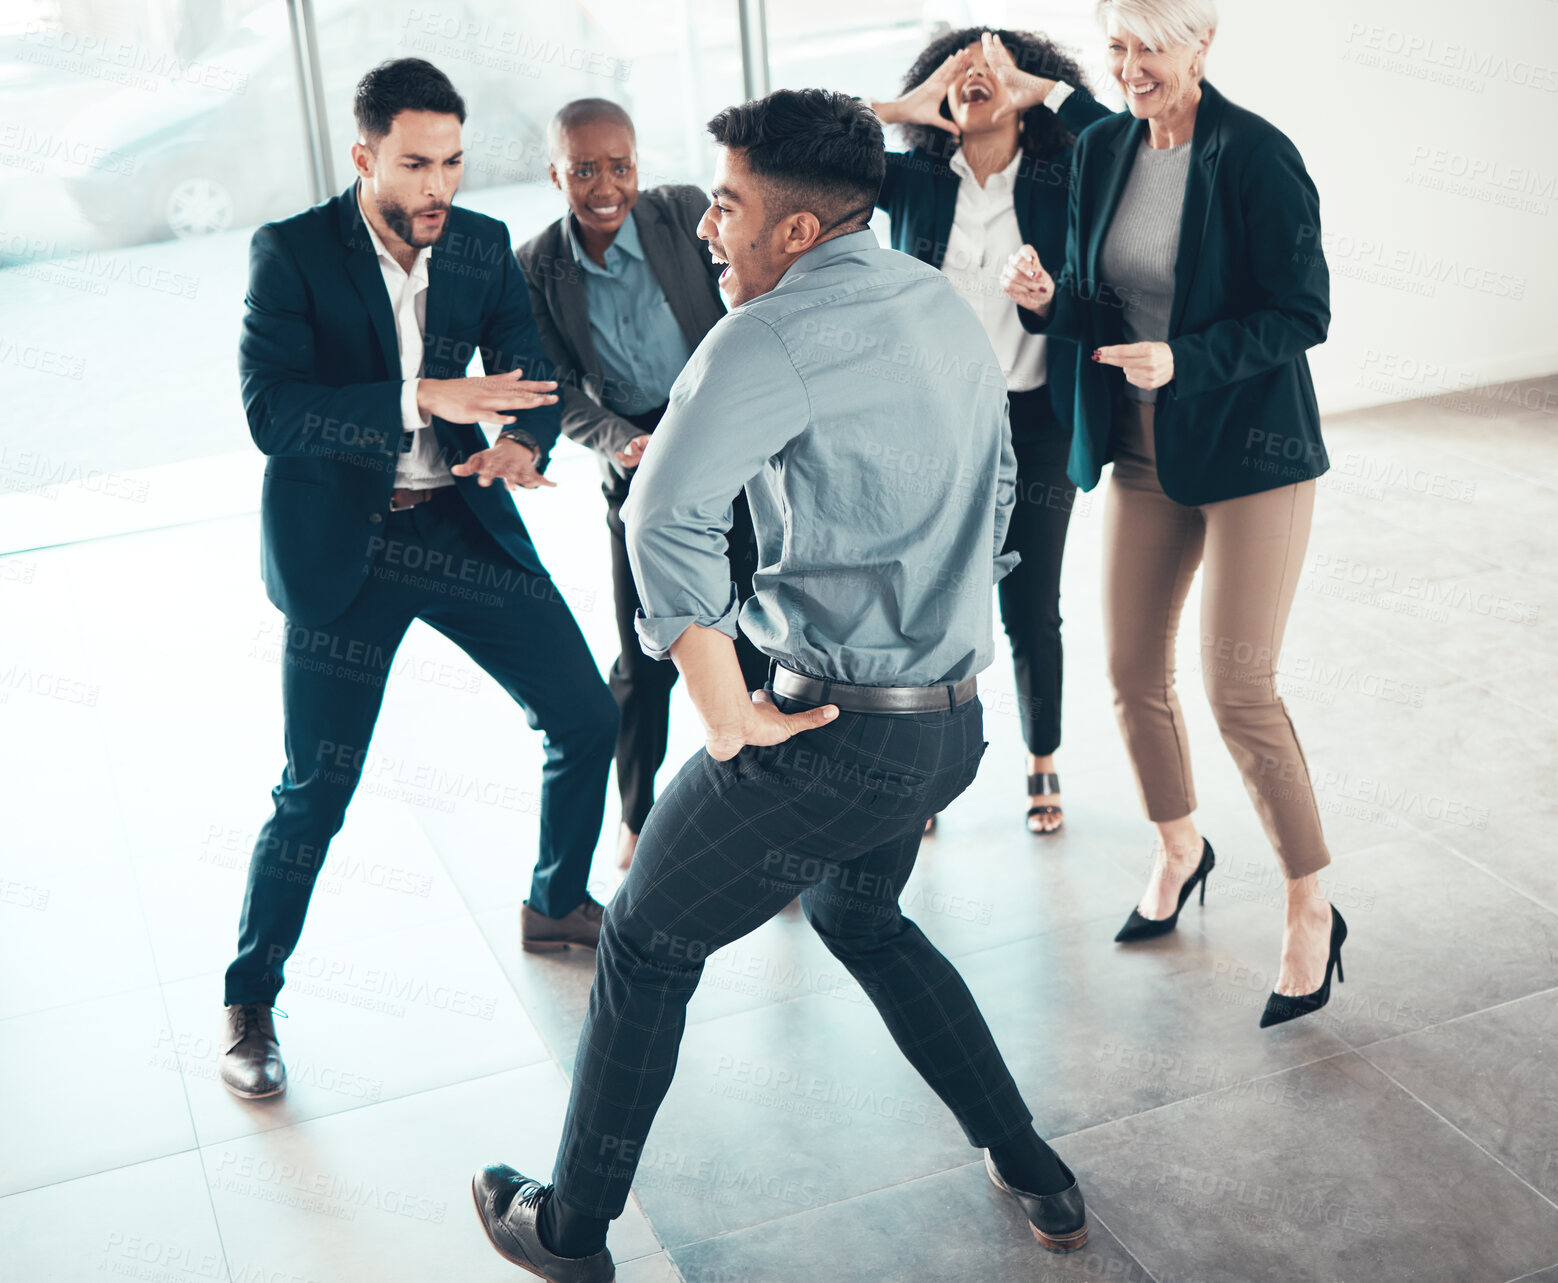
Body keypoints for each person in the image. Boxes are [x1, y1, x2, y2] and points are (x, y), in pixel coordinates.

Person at [471, 89, 1088, 1280]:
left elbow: (661, 512)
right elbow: (1004, 494)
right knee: (861, 915)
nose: (709, 229)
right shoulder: (938, 302)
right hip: (949, 728)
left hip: (829, 737)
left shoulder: (762, 335)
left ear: (795, 233)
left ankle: (569, 1230)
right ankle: (1033, 1166)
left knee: (645, 939)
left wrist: (717, 697)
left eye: (728, 206)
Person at [220, 58, 620, 1099]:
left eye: (450, 160)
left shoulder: (481, 246)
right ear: (364, 157)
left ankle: (556, 897)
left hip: (454, 523)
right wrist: (422, 394)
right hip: (345, 552)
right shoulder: (295, 253)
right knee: (316, 791)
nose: (438, 184)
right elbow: (274, 412)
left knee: (585, 716)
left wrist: (524, 444)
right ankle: (250, 995)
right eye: (414, 163)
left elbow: (529, 380)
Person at [1000, 0, 1345, 1026]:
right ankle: (1179, 845)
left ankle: (1308, 901)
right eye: (1114, 48)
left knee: (1238, 689)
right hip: (1143, 450)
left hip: (1252, 453)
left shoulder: (1255, 156)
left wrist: (1187, 359)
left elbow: (1302, 310)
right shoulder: (1104, 147)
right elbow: (1102, 303)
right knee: (1127, 673)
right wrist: (1044, 300)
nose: (1129, 68)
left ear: (1202, 45)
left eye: (1149, 48)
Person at [867, 27, 1111, 836]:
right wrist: (904, 108)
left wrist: (1036, 88)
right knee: (932, 603)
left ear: (1030, 87)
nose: (976, 79)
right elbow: (816, 152)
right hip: (936, 426)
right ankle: (925, 772)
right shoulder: (913, 181)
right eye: (959, 71)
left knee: (1030, 603)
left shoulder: (1061, 173)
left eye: (994, 70)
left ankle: (1042, 759)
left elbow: (1122, 141)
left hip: (1036, 421)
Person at [517, 98, 769, 873]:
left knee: (758, 628)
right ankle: (637, 814)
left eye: (619, 166)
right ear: (555, 172)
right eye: (584, 169)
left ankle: (771, 818)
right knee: (643, 653)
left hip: (720, 433)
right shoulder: (536, 265)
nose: (605, 185)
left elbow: (743, 296)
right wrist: (622, 439)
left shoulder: (681, 213)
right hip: (632, 452)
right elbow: (555, 387)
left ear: (638, 166)